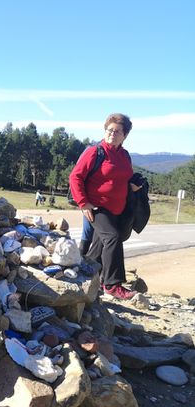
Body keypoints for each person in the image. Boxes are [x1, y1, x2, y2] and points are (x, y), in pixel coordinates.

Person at [69, 113, 143, 300]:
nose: (112, 133)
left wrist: (132, 186)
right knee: (112, 238)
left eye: (117, 131)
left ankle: (87, 276)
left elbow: (123, 178)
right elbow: (75, 177)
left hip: (118, 208)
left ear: (124, 135)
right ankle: (112, 284)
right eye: (110, 130)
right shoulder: (95, 152)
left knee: (100, 245)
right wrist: (83, 203)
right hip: (97, 207)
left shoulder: (124, 155)